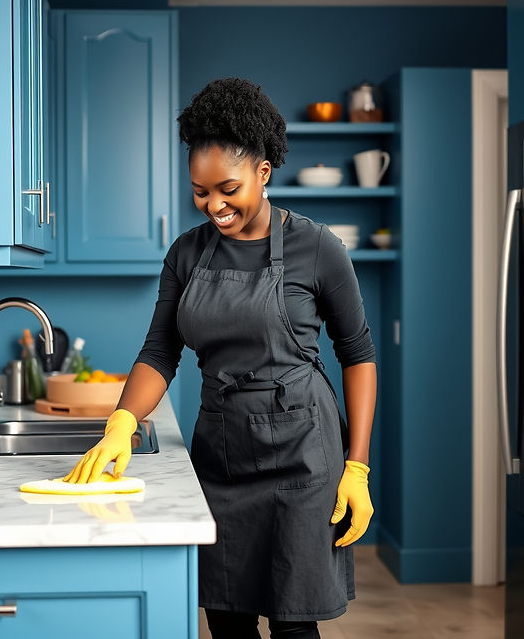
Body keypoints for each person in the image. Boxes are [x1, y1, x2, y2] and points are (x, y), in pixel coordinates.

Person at [65, 77, 377, 639]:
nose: (214, 206)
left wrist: (357, 466)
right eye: (200, 192)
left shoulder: (318, 248)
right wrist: (122, 423)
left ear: (263, 170)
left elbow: (357, 355)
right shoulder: (186, 252)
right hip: (222, 452)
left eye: (227, 188)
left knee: (292, 623)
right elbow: (160, 350)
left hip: (304, 458)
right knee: (226, 616)